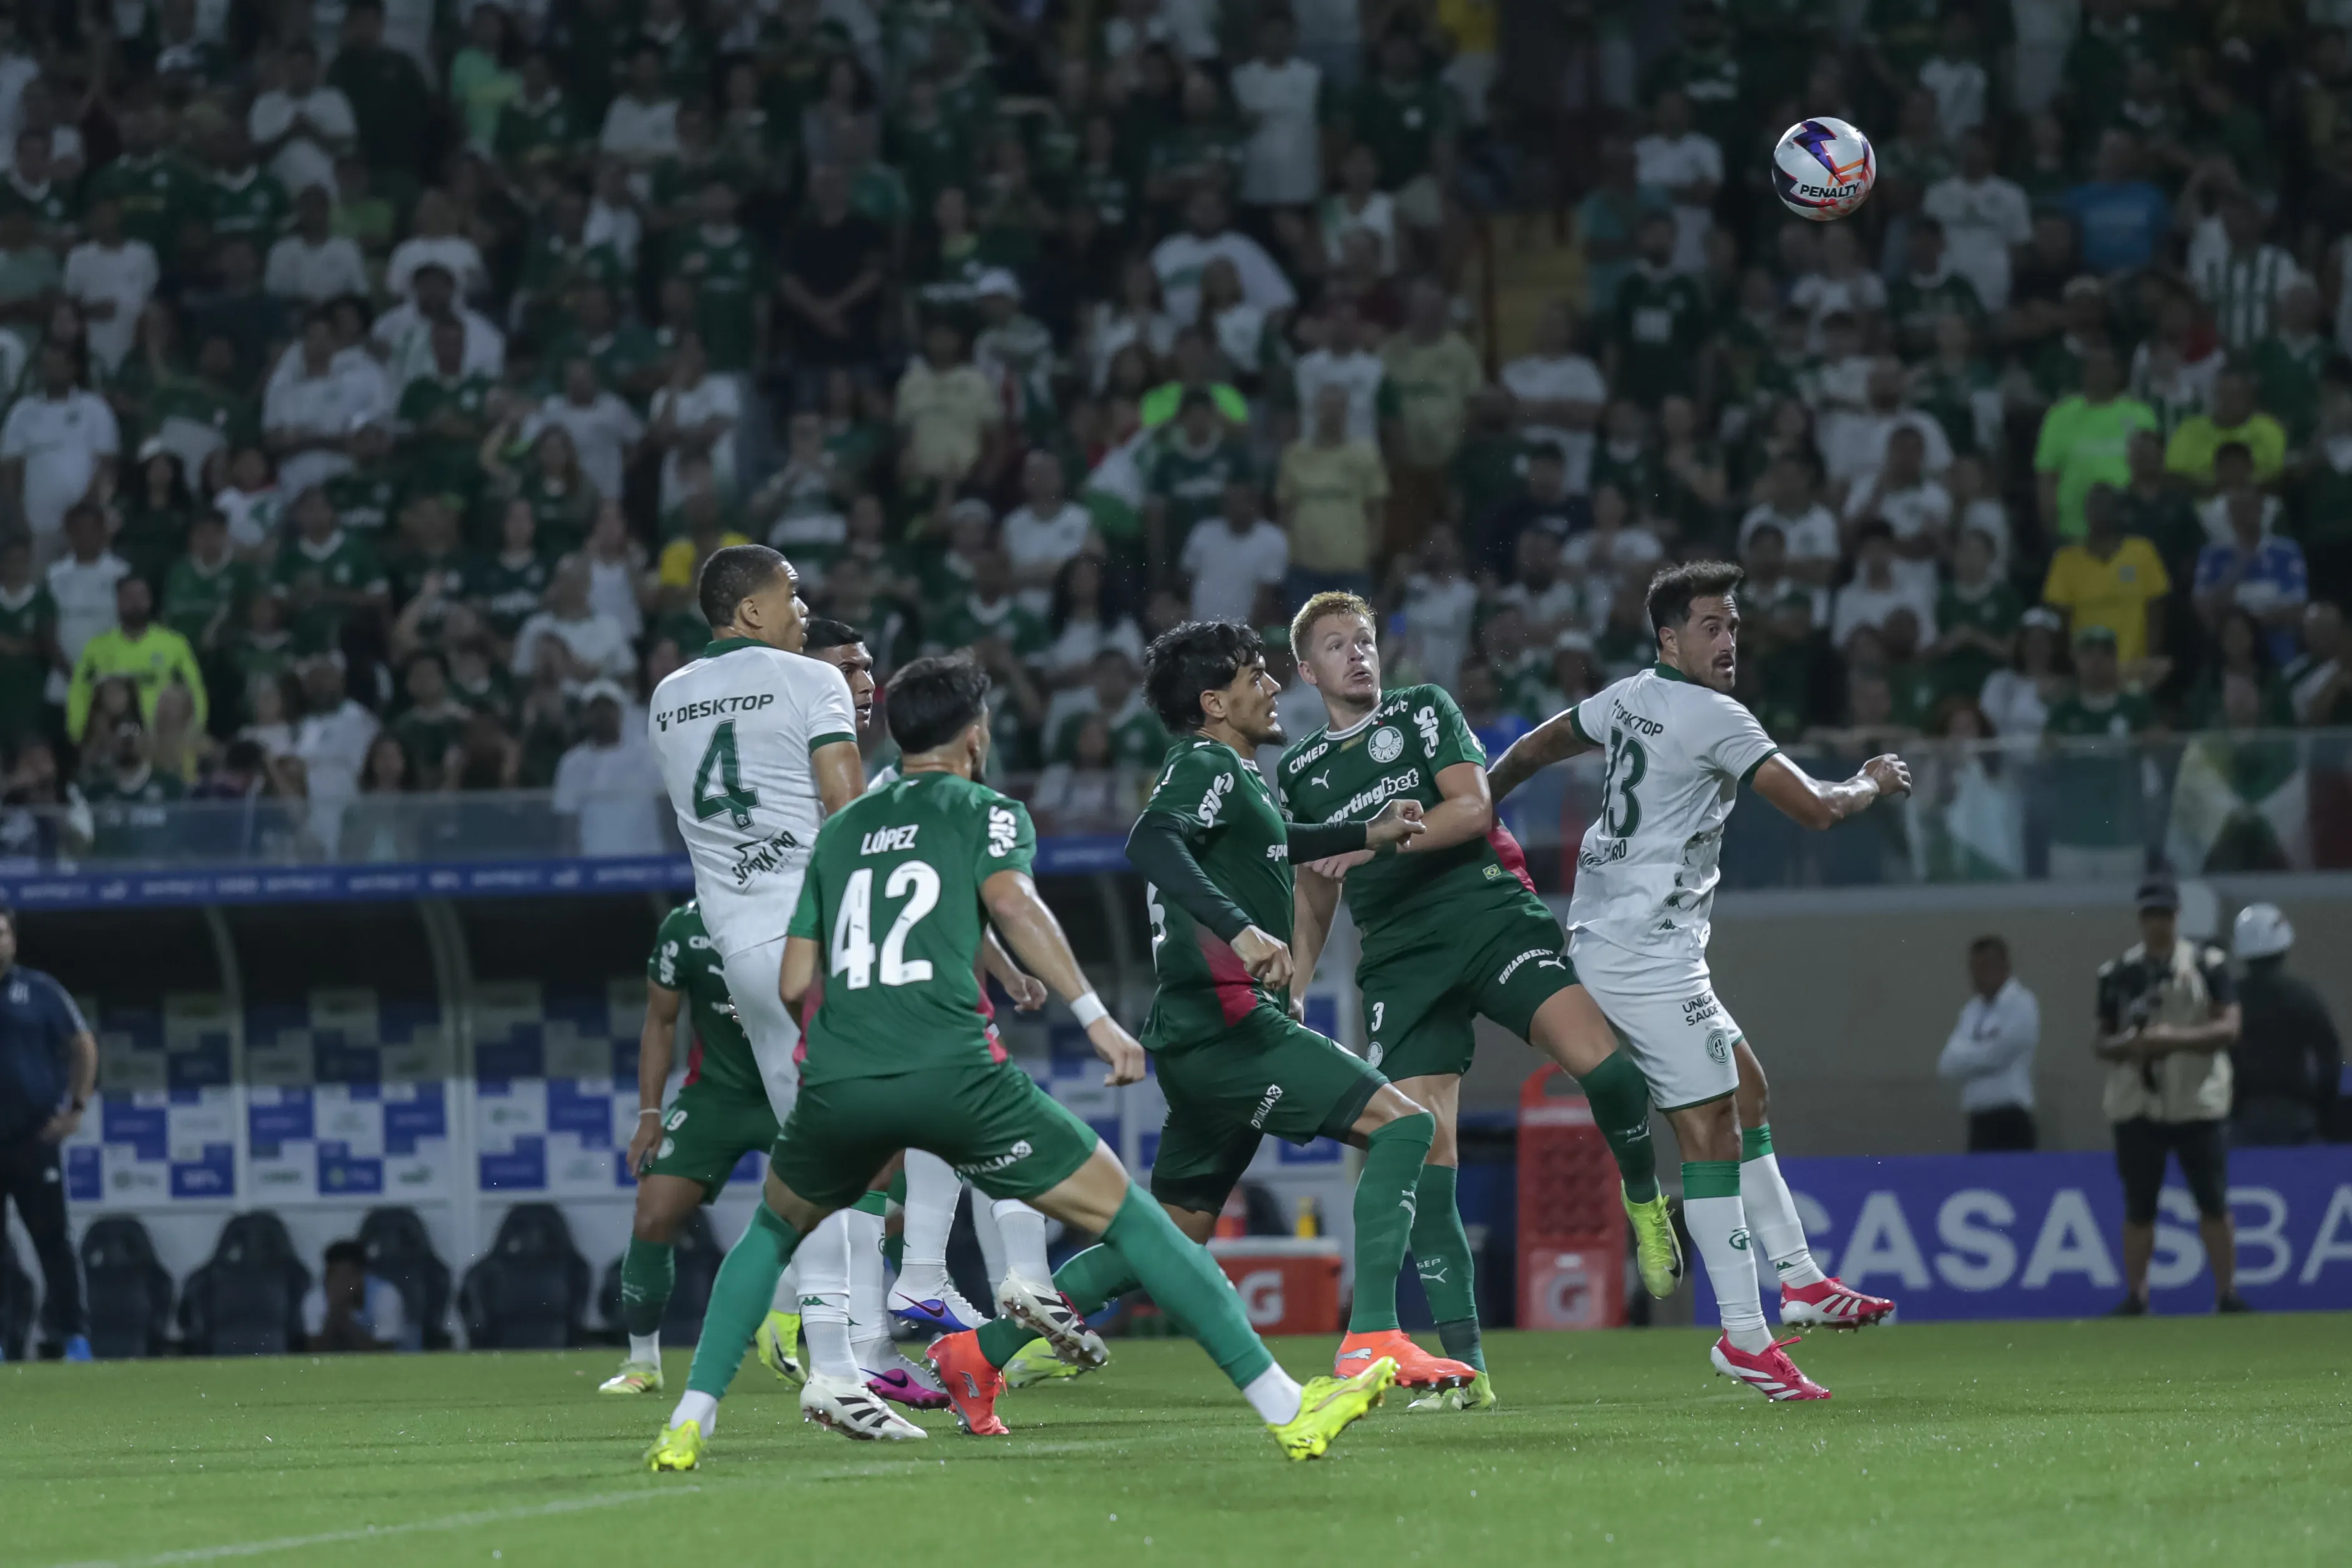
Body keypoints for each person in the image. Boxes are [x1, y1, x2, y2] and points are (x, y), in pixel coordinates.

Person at [645, 651, 1399, 1468]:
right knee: (1137, 1222)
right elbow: (1016, 904)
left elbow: (797, 981)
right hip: (958, 1074)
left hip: (842, 1080)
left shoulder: (841, 829)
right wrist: (1096, 1018)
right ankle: (1288, 1407)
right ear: (975, 736)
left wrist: (847, 1045)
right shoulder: (988, 811)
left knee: (771, 1230)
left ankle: (690, 1418)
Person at [1487, 561, 1914, 1398]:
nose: (1728, 643)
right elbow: (1819, 809)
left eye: (1734, 628)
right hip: (1640, 953)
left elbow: (1542, 743)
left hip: (1641, 941)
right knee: (1711, 1128)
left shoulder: (1628, 697)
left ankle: (1799, 1278)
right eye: (1711, 627)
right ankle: (1744, 1337)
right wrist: (1874, 779)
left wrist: (1483, 800)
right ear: (1670, 639)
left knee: (1746, 1092)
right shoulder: (1716, 717)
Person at [1276, 590, 1683, 1409]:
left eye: (1364, 639)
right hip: (1397, 960)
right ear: (1307, 668)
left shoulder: (1423, 712)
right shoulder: (1302, 771)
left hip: (1487, 916)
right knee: (1424, 1152)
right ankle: (1469, 1374)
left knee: (1607, 1073)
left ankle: (1642, 1196)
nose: (1357, 653)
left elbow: (1474, 807)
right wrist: (1295, 978)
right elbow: (1314, 891)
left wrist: (1377, 837)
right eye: (1336, 645)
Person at [643, 544, 899, 1436]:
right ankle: (880, 1330)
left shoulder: (667, 697)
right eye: (791, 592)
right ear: (749, 610)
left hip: (738, 943)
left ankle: (835, 1363)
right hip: (813, 935)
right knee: (916, 1119)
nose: (803, 608)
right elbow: (850, 811)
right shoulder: (809, 682)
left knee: (818, 1149)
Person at [801, 616, 1062, 1378]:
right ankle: (889, 1306)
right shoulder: (883, 792)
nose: (861, 682)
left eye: (866, 669)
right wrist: (1091, 1012)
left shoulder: (882, 790)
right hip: (889, 994)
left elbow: (954, 898)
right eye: (846, 668)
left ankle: (876, 1330)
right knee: (958, 1143)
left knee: (913, 1150)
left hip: (888, 993)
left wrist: (1009, 974)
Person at [2096, 876, 2248, 1316]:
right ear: (2141, 920)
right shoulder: (2118, 973)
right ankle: (2137, 1295)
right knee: (2139, 1204)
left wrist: (2172, 1039)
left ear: (2177, 917)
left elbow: (2230, 1027)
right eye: (2150, 915)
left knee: (2212, 1200)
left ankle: (2227, 1293)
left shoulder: (2207, 964)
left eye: (2165, 915)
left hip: (2196, 1099)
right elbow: (2101, 1041)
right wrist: (2132, 1045)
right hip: (2138, 1102)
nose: (2158, 924)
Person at [0, 904, 96, 1361]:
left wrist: (75, 1108)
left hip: (34, 1139)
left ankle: (75, 1338)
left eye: (1, 933)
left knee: (54, 1242)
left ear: (13, 939)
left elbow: (83, 1045)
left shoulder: (40, 992)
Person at [2228, 903, 2343, 1147]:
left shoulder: (2229, 999)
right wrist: (2324, 1107)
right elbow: (2330, 1057)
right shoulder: (2303, 996)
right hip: (2298, 1119)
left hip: (2240, 1121)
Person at [1936, 934, 2041, 1150]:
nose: (1979, 976)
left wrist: (1967, 1056)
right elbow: (1947, 1065)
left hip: (2011, 1120)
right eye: (1974, 969)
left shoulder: (2022, 1004)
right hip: (1978, 1122)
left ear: (2004, 966)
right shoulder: (1971, 1011)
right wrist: (1981, 1052)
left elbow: (1997, 1056)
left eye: (1986, 968)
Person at [301, 1239, 414, 1352]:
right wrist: (333, 1314)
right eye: (332, 1276)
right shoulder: (315, 1299)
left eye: (345, 1277)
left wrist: (343, 1320)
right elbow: (315, 1353)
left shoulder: (386, 1295)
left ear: (361, 1276)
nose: (338, 1283)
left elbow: (383, 1354)